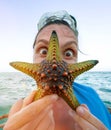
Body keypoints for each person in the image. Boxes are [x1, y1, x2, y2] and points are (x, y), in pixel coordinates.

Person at [4, 10, 111, 130]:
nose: (55, 63)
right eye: (44, 51)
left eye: (69, 52)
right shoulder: (19, 110)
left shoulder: (91, 95)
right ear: (32, 57)